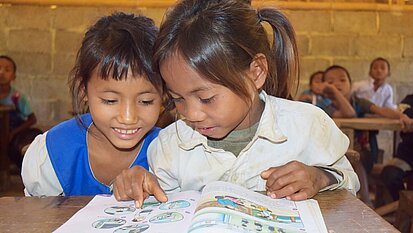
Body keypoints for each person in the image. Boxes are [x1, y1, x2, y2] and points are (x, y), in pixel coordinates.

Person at [112, 0, 359, 207]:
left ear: (256, 72)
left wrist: (320, 178)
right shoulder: (171, 146)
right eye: (178, 99)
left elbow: (350, 182)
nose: (191, 113)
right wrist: (137, 184)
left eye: (206, 98)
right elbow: (161, 210)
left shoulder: (308, 126)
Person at [21, 12, 163, 196]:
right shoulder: (53, 152)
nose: (128, 117)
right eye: (110, 100)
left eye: (146, 101)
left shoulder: (171, 152)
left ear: (164, 94)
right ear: (83, 90)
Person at [321, 65, 413, 206]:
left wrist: (401, 116)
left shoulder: (359, 102)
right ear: (324, 87)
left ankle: (365, 201)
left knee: (356, 156)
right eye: (331, 82)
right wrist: (334, 92)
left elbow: (382, 111)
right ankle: (360, 201)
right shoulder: (324, 105)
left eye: (342, 80)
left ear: (350, 84)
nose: (337, 84)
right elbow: (349, 113)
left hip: (365, 155)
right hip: (332, 157)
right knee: (347, 156)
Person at [0, 55, 42, 169]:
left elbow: (32, 119)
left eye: (7, 70)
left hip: (14, 132)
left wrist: (13, 132)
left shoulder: (16, 97)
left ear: (13, 76)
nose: (1, 72)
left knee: (33, 138)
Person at [380, 94, 413, 202]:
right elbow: (404, 113)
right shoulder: (410, 99)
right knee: (390, 174)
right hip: (408, 155)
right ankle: (402, 205)